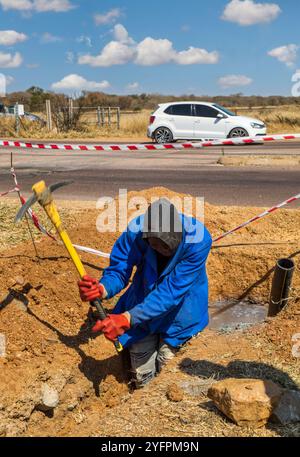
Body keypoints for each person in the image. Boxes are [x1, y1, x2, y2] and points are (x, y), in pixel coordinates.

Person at [78, 198, 212, 388]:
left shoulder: (199, 239)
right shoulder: (135, 233)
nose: (162, 250)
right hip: (142, 305)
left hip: (181, 311)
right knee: (141, 373)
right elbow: (119, 270)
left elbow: (171, 292)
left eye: (167, 247)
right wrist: (102, 289)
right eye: (156, 245)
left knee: (169, 367)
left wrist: (126, 318)